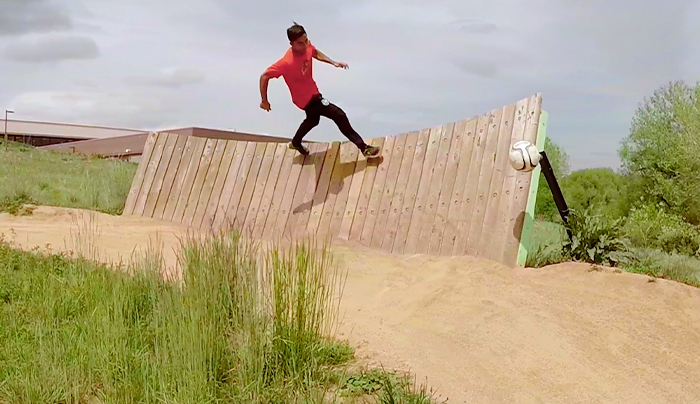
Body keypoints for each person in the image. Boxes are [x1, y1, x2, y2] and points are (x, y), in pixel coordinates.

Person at [259, 22, 380, 158]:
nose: (305, 45)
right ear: (291, 44)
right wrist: (264, 100)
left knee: (313, 120)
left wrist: (333, 62)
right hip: (305, 99)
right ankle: (364, 148)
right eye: (300, 43)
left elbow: (315, 52)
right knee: (339, 115)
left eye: (306, 40)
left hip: (313, 92)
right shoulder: (286, 63)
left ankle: (296, 142)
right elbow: (264, 76)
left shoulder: (307, 46)